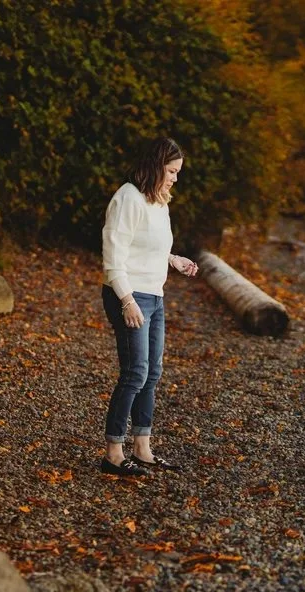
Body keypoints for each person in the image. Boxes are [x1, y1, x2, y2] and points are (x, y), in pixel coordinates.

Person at [99, 137, 198, 477]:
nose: (175, 178)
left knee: (152, 374)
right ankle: (113, 452)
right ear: (156, 167)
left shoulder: (159, 202)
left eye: (177, 172)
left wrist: (174, 260)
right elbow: (113, 258)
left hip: (154, 295)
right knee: (135, 373)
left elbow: (146, 247)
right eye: (172, 171)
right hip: (129, 295)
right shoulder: (127, 197)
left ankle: (142, 448)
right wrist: (126, 300)